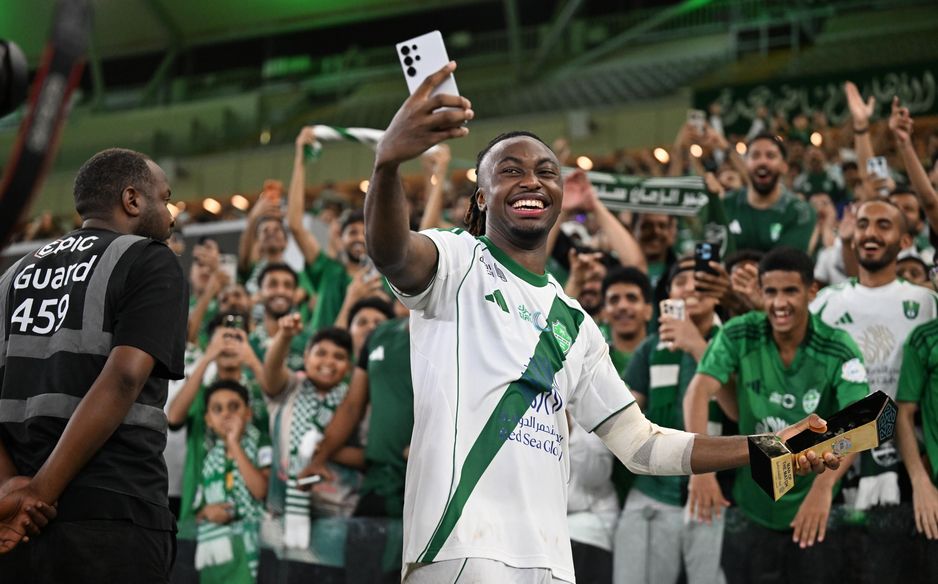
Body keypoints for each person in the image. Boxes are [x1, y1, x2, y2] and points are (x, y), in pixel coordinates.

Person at [364, 62, 841, 584]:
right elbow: (392, 253)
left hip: (549, 561)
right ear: (481, 196)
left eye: (547, 172)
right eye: (511, 171)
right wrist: (388, 164)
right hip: (460, 549)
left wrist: (769, 446)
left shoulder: (577, 324)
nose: (532, 181)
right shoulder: (457, 262)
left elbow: (642, 445)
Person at [0, 148, 187, 581]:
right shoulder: (149, 259)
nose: (171, 214)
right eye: (165, 198)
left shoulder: (11, 278)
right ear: (132, 200)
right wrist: (39, 493)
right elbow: (124, 378)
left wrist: (11, 491)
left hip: (16, 525)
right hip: (114, 514)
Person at [683, 247, 869, 584]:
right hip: (751, 508)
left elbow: (858, 420)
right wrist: (701, 471)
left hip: (811, 508)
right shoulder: (739, 332)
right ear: (760, 291)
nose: (779, 303)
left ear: (812, 291)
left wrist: (823, 489)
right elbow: (698, 391)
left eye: (790, 291)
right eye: (770, 292)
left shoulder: (838, 347)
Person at [811, 200, 938, 510]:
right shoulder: (826, 302)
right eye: (863, 224)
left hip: (914, 457)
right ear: (853, 237)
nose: (870, 233)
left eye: (884, 225)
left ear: (905, 241)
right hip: (839, 457)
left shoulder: (926, 302)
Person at [614, 258, 730, 584]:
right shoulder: (650, 348)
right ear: (668, 296)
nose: (691, 287)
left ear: (718, 293)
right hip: (652, 493)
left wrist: (696, 345)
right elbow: (624, 414)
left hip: (713, 495)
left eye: (701, 281)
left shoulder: (734, 343)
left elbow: (737, 410)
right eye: (680, 282)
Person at [193, 380, 270, 584]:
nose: (226, 414)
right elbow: (199, 511)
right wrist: (208, 512)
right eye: (217, 409)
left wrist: (234, 443)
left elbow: (260, 490)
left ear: (248, 413)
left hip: (248, 547)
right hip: (216, 554)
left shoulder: (260, 442)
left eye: (234, 407)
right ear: (208, 420)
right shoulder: (210, 459)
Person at [723, 133, 816, 253]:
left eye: (770, 156)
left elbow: (788, 261)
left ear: (784, 166)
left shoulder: (800, 212)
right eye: (755, 156)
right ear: (746, 164)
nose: (762, 162)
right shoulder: (725, 205)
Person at [600, 266, 652, 376]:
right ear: (604, 313)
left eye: (632, 298)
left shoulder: (662, 356)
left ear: (648, 311)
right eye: (614, 300)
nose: (622, 306)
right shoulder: (594, 360)